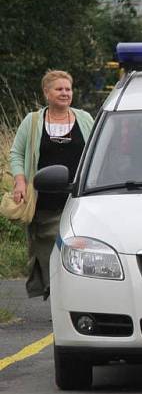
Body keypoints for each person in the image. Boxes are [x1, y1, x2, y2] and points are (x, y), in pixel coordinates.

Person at [10, 70, 94, 298]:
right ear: (47, 93)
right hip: (43, 201)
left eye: (68, 89)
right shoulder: (33, 121)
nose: (65, 93)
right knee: (47, 252)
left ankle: (73, 295)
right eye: (59, 89)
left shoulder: (85, 119)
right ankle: (54, 291)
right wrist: (19, 181)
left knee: (73, 247)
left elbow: (97, 152)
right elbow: (16, 153)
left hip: (77, 200)